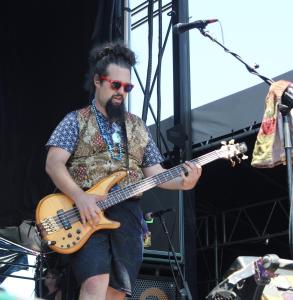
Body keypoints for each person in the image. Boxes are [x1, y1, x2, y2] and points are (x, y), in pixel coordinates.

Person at [45, 41, 202, 300]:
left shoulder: (137, 127)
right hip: (85, 211)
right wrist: (80, 196)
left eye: (127, 87)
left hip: (127, 214)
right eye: (115, 85)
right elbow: (53, 163)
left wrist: (183, 183)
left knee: (118, 292)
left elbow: (156, 173)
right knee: (95, 280)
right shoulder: (75, 120)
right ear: (98, 81)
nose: (121, 92)